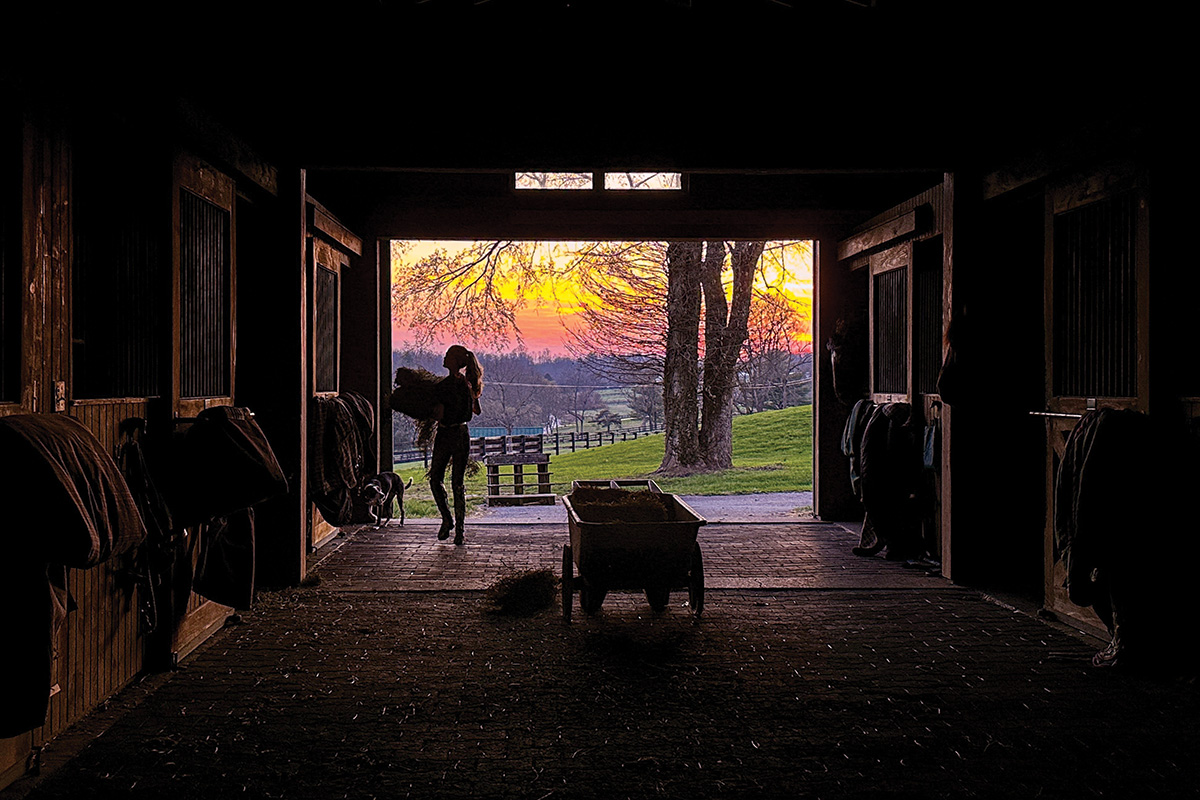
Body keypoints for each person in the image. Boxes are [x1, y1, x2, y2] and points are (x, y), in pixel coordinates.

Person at [429, 345, 483, 545]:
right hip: (462, 433)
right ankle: (460, 531)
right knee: (457, 483)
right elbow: (476, 410)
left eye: (447, 355)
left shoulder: (443, 386)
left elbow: (439, 414)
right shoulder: (468, 384)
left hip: (445, 433)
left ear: (453, 361)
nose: (443, 357)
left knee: (436, 479)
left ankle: (447, 519)